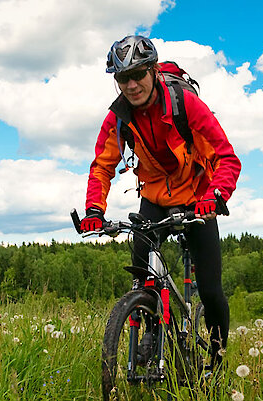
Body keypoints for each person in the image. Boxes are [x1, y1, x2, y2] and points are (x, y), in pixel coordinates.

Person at [80, 35, 241, 367]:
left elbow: (227, 157)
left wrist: (215, 195)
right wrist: (95, 209)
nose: (132, 84)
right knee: (141, 268)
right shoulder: (118, 116)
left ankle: (217, 360)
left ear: (153, 71)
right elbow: (102, 165)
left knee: (210, 290)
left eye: (138, 74)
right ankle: (149, 318)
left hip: (198, 197)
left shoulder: (185, 103)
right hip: (154, 196)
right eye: (123, 78)